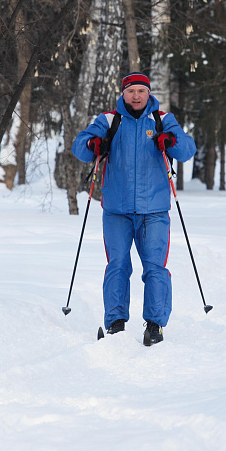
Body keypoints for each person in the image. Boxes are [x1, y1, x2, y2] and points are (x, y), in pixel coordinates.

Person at [72, 72, 196, 346]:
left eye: (141, 91)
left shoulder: (163, 120)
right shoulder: (108, 120)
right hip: (117, 209)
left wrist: (172, 141)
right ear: (123, 94)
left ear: (148, 93)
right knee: (117, 265)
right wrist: (93, 144)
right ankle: (116, 323)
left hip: (154, 210)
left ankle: (155, 325)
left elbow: (187, 150)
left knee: (155, 267)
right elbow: (80, 147)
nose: (136, 96)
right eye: (131, 91)